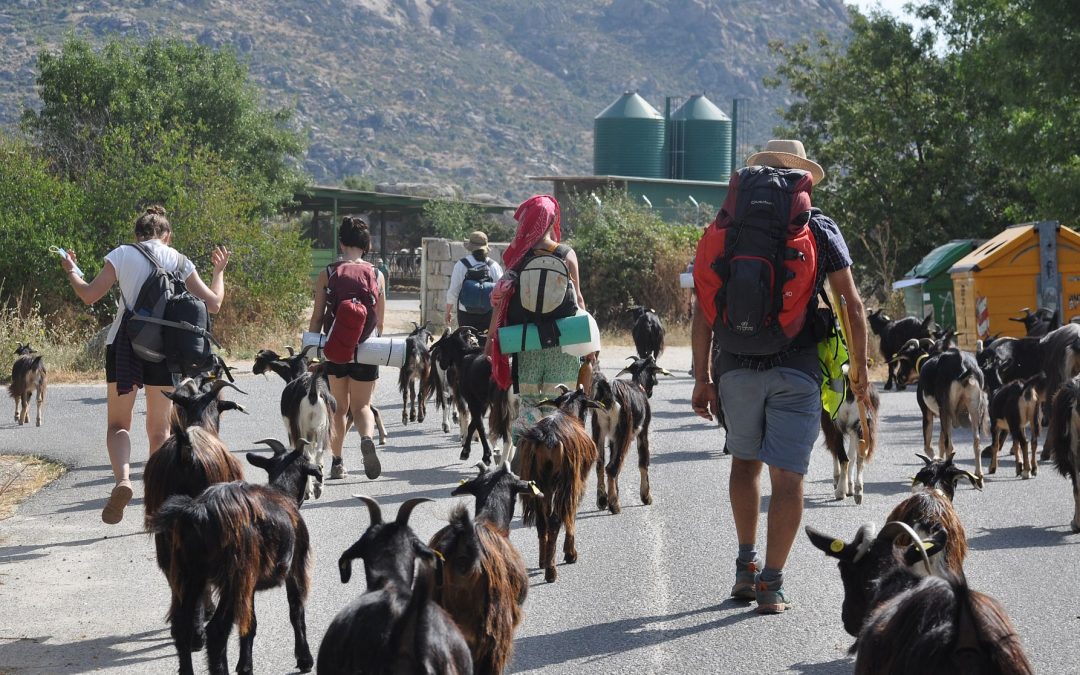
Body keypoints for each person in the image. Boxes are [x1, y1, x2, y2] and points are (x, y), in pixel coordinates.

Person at [690, 140, 870, 614]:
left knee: (744, 464)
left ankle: (744, 568)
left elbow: (704, 308)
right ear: (802, 176)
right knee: (789, 480)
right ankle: (771, 584)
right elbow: (851, 303)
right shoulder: (818, 226)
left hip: (735, 368)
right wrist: (863, 371)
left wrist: (701, 378)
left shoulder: (726, 225)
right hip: (797, 367)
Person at [59, 205, 230, 525]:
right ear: (167, 235)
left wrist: (71, 270)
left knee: (119, 425)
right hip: (165, 351)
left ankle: (122, 480)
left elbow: (89, 295)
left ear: (136, 235)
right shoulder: (179, 259)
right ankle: (155, 493)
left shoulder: (122, 254)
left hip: (124, 345)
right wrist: (218, 271)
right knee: (159, 430)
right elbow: (214, 304)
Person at [487, 195, 589, 442]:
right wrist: (589, 343)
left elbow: (500, 301)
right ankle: (560, 463)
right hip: (562, 344)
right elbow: (578, 301)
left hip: (526, 344)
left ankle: (524, 457)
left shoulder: (520, 258)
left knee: (529, 407)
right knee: (561, 408)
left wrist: (491, 338)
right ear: (553, 219)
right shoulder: (566, 254)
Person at [308, 216, 385, 481]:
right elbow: (380, 322)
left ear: (341, 242)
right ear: (366, 244)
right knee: (363, 406)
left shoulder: (327, 273)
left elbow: (317, 317)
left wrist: (311, 350)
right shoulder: (377, 274)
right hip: (367, 348)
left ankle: (338, 463)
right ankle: (366, 439)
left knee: (339, 409)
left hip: (336, 348)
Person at [446, 230, 503, 331]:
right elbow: (501, 292)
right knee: (484, 343)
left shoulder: (461, 265)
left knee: (466, 342)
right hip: (488, 312)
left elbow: (453, 291)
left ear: (471, 247)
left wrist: (448, 311)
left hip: (465, 312)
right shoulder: (494, 266)